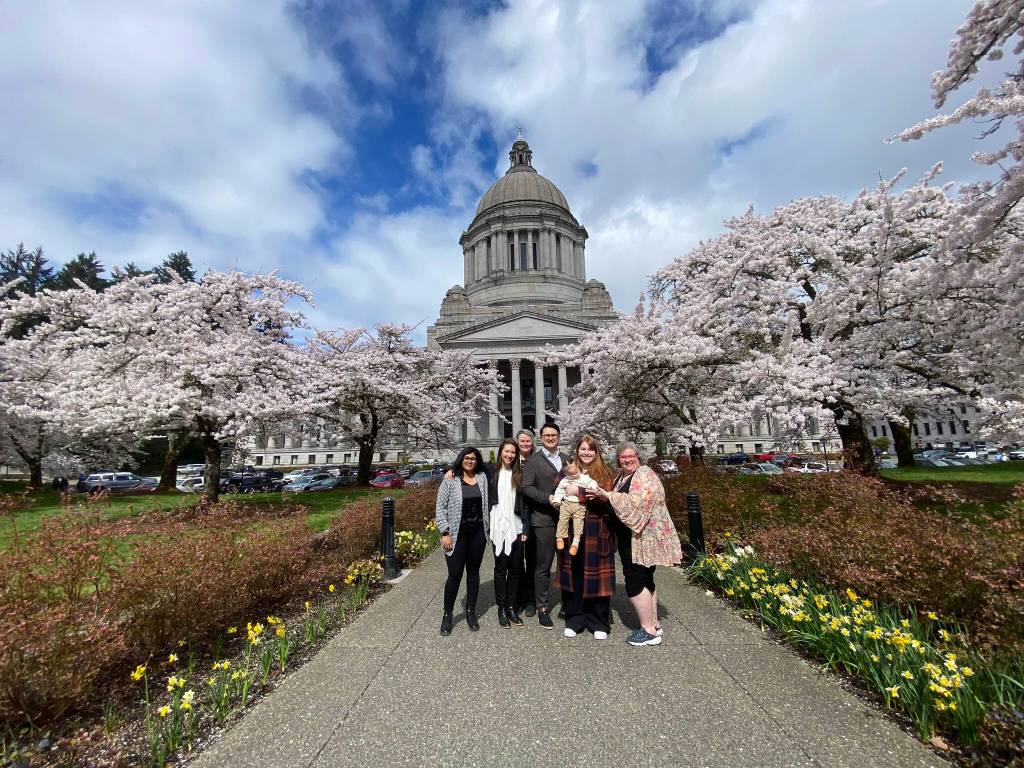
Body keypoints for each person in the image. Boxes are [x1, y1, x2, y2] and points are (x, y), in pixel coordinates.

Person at [591, 442, 683, 647]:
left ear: (638, 457)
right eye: (623, 457)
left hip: (641, 539)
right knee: (646, 579)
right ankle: (654, 624)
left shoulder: (645, 475)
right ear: (618, 459)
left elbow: (637, 503)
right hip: (630, 538)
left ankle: (648, 630)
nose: (627, 460)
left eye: (631, 456)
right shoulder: (621, 475)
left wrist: (607, 495)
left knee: (635, 581)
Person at [555, 434, 616, 639]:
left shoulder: (606, 472)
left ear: (596, 452)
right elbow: (559, 492)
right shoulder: (566, 471)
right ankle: (575, 619)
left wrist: (579, 492)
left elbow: (607, 499)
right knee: (574, 575)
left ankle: (598, 622)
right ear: (577, 451)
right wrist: (557, 500)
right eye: (583, 449)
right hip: (572, 532)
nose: (587, 453)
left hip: (597, 531)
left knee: (597, 577)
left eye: (590, 449)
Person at [435, 446, 490, 636]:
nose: (469, 461)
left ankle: (471, 612)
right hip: (456, 534)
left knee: (473, 573)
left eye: (473, 458)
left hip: (477, 533)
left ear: (477, 461)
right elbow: (440, 507)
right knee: (455, 574)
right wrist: (444, 532)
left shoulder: (482, 477)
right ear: (461, 459)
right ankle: (447, 614)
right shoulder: (451, 479)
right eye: (466, 458)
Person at [521, 422, 569, 629]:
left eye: (554, 435)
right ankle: (542, 607)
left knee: (566, 563)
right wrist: (547, 498)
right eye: (547, 435)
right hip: (543, 520)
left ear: (558, 436)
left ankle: (568, 604)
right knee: (543, 565)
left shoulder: (567, 459)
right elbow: (527, 488)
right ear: (541, 438)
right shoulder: (533, 461)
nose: (550, 438)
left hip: (565, 520)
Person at [488, 438, 530, 627]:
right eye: (507, 451)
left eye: (513, 452)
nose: (510, 455)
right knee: (500, 568)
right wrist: (452, 470)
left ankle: (511, 606)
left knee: (515, 568)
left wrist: (526, 528)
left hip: (516, 526)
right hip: (497, 526)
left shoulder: (519, 474)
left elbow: (525, 504)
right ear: (500, 452)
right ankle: (501, 607)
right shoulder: (491, 472)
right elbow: (468, 465)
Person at [552, 462, 598, 555]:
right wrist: (556, 500)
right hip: (566, 503)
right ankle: (560, 538)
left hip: (579, 505)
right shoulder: (564, 480)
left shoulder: (584, 478)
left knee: (578, 523)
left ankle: (575, 543)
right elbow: (559, 490)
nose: (575, 475)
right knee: (562, 520)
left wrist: (592, 487)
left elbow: (592, 483)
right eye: (572, 474)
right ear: (567, 475)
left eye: (577, 472)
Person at [514, 429, 537, 616]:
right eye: (522, 440)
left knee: (532, 560)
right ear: (517, 442)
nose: (525, 443)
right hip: (514, 515)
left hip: (534, 515)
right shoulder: (510, 461)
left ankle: (531, 599)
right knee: (516, 560)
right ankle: (519, 596)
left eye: (528, 440)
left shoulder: (537, 460)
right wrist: (453, 469)